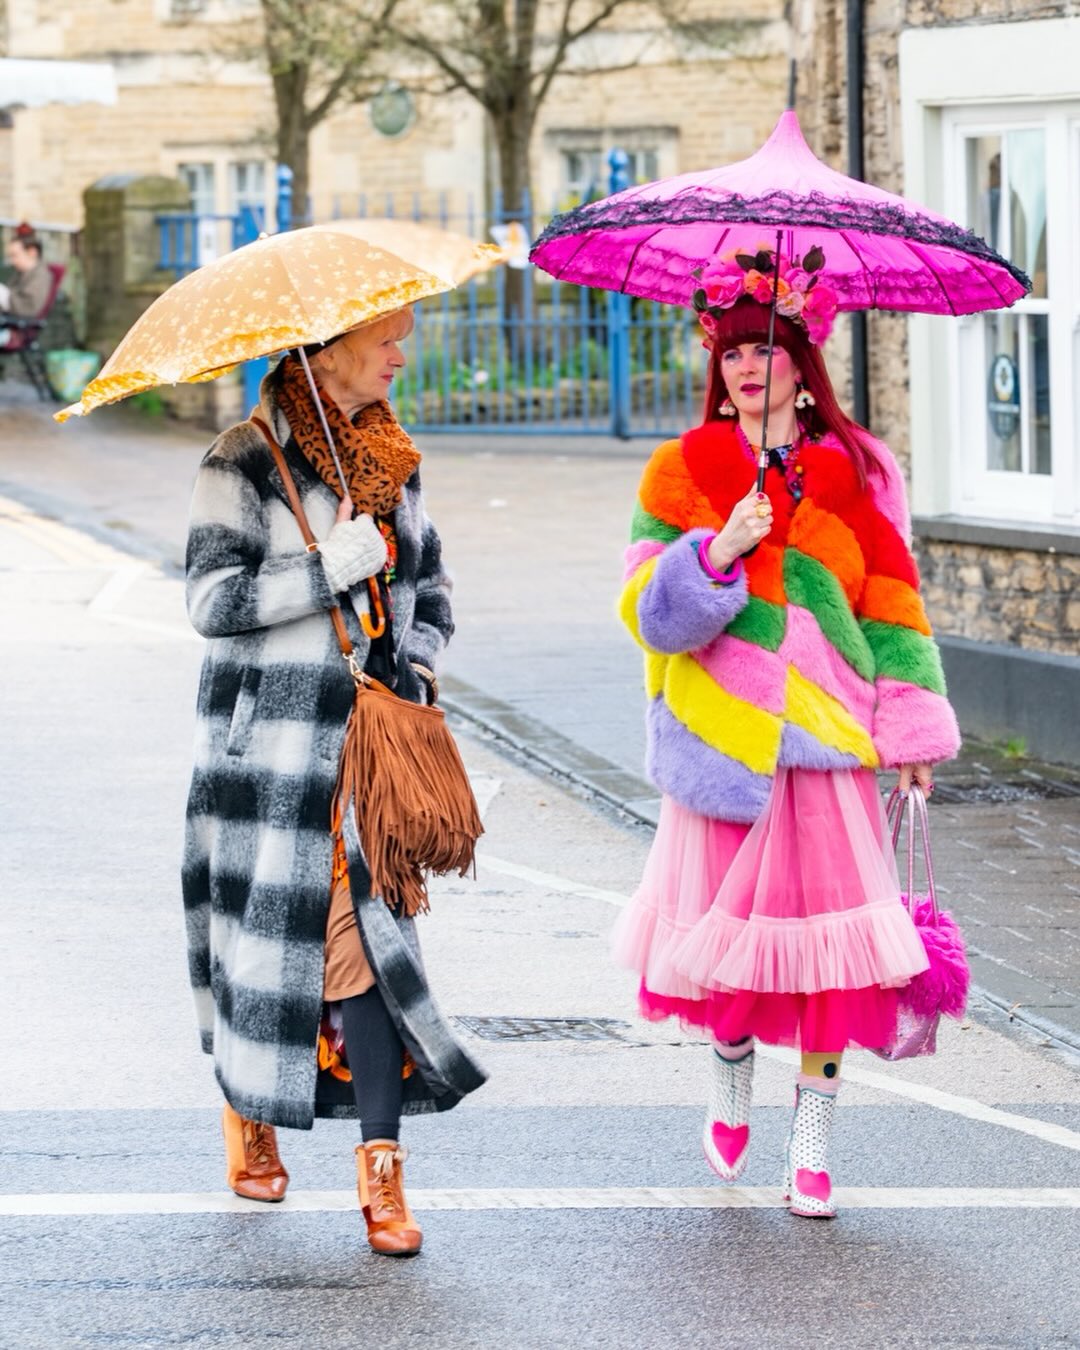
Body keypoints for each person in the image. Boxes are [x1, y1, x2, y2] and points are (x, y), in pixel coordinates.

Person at [612, 251, 960, 1218]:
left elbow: (894, 609)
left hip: (829, 747)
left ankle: (811, 1141)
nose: (747, 367)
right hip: (722, 743)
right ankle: (728, 1069)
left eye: (765, 346)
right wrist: (718, 551)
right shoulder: (681, 468)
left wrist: (912, 730)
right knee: (727, 945)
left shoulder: (857, 471)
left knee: (834, 955)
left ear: (803, 359)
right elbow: (648, 615)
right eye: (730, 351)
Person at [182, 306, 485, 1257]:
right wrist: (323, 570)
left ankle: (382, 1178)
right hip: (264, 756)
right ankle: (249, 1116)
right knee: (258, 949)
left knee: (366, 950)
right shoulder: (242, 458)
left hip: (366, 754)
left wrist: (420, 665)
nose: (402, 352)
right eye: (387, 336)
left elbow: (429, 591)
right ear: (326, 350)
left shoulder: (394, 459)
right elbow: (211, 601)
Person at [0, 224, 51, 318]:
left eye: (15, 255)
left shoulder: (40, 275)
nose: (12, 261)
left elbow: (28, 308)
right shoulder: (21, 273)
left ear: (32, 252)